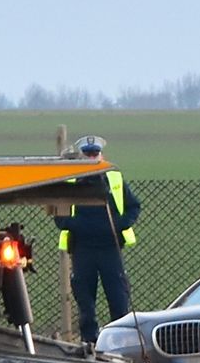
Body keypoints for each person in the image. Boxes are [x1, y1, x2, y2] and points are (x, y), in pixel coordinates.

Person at [55, 136, 142, 343]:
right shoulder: (71, 180)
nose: (92, 157)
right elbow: (58, 213)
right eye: (88, 154)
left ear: (101, 155)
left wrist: (120, 224)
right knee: (86, 302)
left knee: (118, 300)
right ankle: (89, 342)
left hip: (110, 249)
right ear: (81, 156)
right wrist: (73, 224)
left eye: (95, 154)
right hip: (82, 249)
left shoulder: (114, 179)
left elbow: (134, 206)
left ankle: (120, 342)